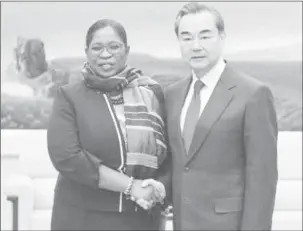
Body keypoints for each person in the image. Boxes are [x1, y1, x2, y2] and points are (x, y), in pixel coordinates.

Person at [47, 19, 171, 230]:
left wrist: (158, 188)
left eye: (114, 47)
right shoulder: (70, 96)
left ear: (127, 50)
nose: (105, 54)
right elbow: (68, 157)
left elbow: (169, 153)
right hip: (84, 218)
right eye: (97, 48)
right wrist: (132, 187)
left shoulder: (152, 93)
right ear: (86, 51)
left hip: (141, 217)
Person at [164, 3, 278, 230]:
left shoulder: (253, 94)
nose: (196, 46)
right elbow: (178, 164)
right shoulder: (172, 95)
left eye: (205, 37)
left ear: (222, 37)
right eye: (186, 38)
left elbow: (262, 179)